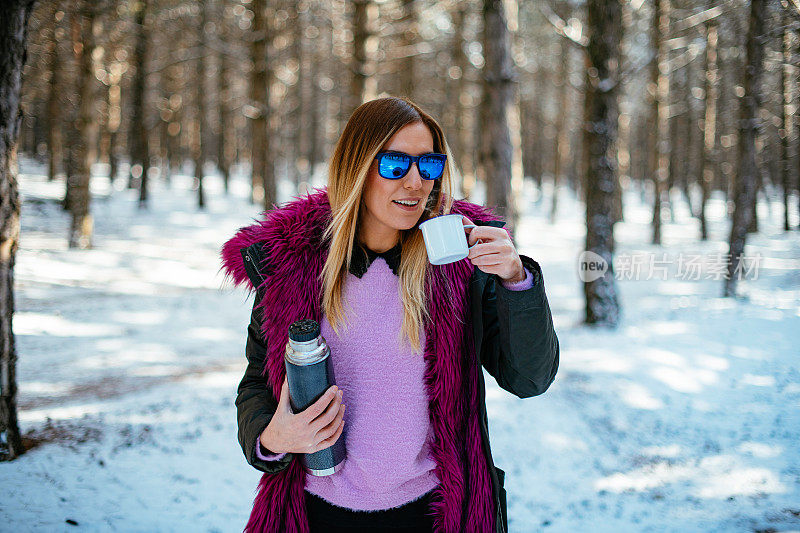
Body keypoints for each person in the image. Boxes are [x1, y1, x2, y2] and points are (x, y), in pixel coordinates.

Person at [220, 96, 559, 533]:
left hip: (432, 514)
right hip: (315, 513)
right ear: (357, 169)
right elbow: (256, 385)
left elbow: (529, 378)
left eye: (429, 165)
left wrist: (516, 280)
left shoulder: (459, 262)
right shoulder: (291, 264)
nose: (417, 182)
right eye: (396, 165)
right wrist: (271, 439)